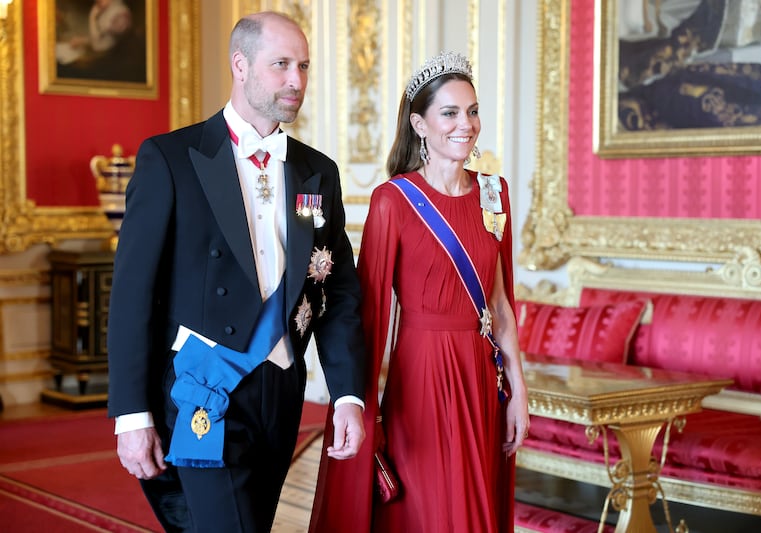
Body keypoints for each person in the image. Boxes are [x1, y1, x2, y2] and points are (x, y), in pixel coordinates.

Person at [106, 11, 366, 532]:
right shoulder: (172, 159)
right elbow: (132, 295)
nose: (296, 81)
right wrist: (131, 415)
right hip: (204, 387)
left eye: (304, 66)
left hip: (281, 392)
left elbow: (335, 292)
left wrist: (347, 394)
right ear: (240, 65)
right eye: (281, 65)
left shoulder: (318, 172)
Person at [310, 51, 530, 533]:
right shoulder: (393, 201)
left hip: (480, 374)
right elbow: (369, 313)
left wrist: (519, 392)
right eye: (449, 113)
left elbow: (499, 305)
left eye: (472, 111)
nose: (466, 124)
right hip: (422, 378)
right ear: (419, 124)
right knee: (432, 510)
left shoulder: (494, 193)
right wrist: (359, 404)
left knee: (475, 507)